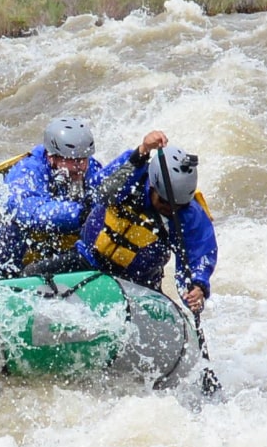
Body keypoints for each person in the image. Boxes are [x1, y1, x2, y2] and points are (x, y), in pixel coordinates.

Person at [78, 130, 215, 315]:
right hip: (86, 260)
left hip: (138, 285)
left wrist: (197, 287)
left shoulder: (190, 216)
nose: (171, 210)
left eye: (178, 206)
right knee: (35, 270)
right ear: (152, 186)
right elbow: (100, 192)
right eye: (165, 203)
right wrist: (142, 150)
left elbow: (197, 258)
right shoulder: (133, 177)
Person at [0, 115, 100, 278]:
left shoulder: (90, 167)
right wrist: (81, 213)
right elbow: (32, 213)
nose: (80, 166)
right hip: (8, 252)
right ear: (52, 156)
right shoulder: (26, 171)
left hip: (47, 253)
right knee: (9, 227)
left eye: (83, 159)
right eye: (73, 160)